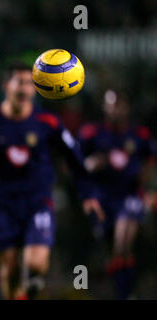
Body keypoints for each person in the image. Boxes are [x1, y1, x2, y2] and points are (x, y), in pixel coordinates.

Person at [0, 62, 104, 300]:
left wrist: (89, 195)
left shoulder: (48, 122)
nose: (24, 89)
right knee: (10, 270)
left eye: (29, 84)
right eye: (19, 83)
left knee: (35, 266)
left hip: (38, 203)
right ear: (6, 86)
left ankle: (33, 284)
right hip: (2, 204)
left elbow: (74, 159)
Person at [77, 90, 155, 299]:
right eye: (111, 104)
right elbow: (75, 164)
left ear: (126, 107)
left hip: (129, 195)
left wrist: (145, 181)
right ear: (104, 107)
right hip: (102, 198)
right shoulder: (91, 133)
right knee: (113, 249)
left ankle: (126, 295)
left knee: (123, 242)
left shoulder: (139, 135)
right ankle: (121, 290)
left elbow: (150, 160)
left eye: (119, 104)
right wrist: (92, 164)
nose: (115, 109)